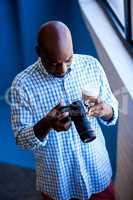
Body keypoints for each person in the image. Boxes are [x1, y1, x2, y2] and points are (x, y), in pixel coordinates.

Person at [11, 21, 118, 200]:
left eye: (68, 60)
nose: (62, 69)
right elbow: (21, 139)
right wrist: (46, 124)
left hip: (97, 173)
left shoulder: (91, 66)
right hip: (58, 183)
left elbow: (113, 110)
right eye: (54, 63)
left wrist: (105, 109)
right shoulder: (22, 85)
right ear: (39, 53)